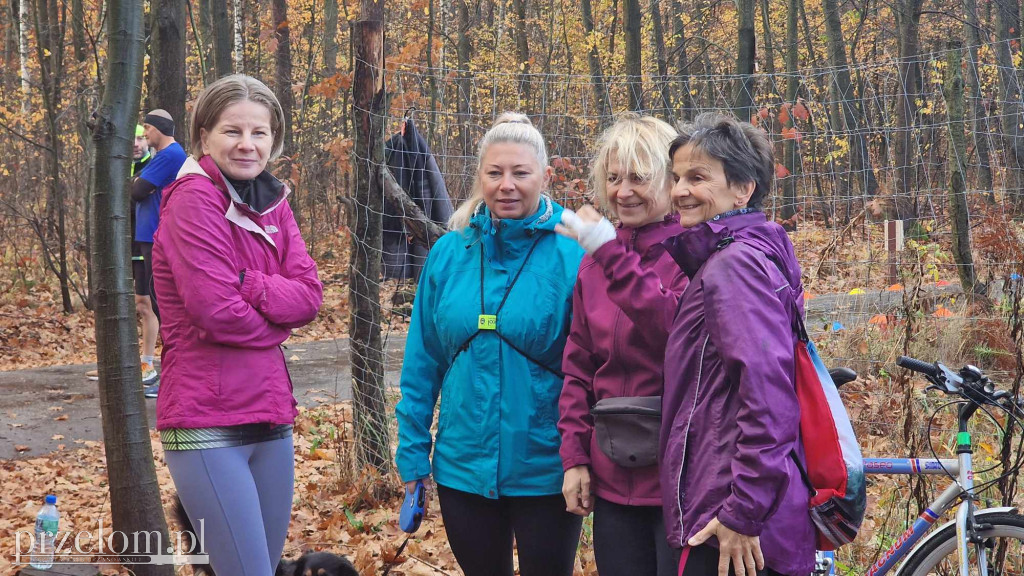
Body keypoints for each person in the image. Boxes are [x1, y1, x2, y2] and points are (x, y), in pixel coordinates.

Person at [394, 113, 585, 576]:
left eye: (520, 173)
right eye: (495, 173)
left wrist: (586, 456)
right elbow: (422, 364)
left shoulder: (576, 252)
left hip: (546, 468)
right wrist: (413, 456)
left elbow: (594, 366)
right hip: (463, 467)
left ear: (544, 174)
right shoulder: (449, 253)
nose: (507, 185)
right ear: (479, 176)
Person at [151, 74, 323, 576]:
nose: (247, 144)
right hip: (206, 417)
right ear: (203, 135)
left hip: (271, 414)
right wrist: (275, 325)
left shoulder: (274, 200)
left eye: (260, 133)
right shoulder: (192, 200)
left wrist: (250, 284)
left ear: (275, 139)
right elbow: (215, 312)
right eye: (232, 131)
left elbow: (310, 295)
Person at [659, 112, 813, 576]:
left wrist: (742, 511)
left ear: (743, 189)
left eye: (698, 177)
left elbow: (767, 394)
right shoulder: (744, 254)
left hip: (730, 516)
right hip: (739, 503)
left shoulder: (735, 266)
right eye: (677, 177)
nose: (680, 190)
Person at [555, 113, 686, 576]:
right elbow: (578, 368)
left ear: (672, 181)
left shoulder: (694, 255)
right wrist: (574, 458)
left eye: (638, 177)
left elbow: (673, 334)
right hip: (612, 479)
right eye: (612, 178)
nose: (622, 191)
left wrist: (609, 253)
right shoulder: (592, 268)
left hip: (681, 480)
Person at [86, 126, 152, 382]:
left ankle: (147, 364)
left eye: (140, 138)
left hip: (144, 246)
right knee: (112, 303)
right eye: (131, 138)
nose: (136, 144)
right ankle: (115, 364)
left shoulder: (154, 169)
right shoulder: (115, 167)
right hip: (117, 247)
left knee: (145, 305)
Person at [133, 109, 187, 397]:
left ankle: (174, 376)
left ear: (159, 129)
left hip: (158, 237)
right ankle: (159, 372)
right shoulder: (161, 156)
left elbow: (138, 190)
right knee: (151, 303)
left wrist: (138, 184)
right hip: (146, 236)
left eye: (147, 129)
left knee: (165, 307)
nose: (145, 135)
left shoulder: (170, 155)